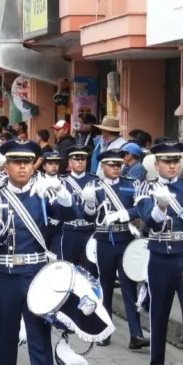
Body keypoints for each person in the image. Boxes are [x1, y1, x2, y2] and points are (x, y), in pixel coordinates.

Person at [0, 141, 78, 365]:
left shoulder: (43, 191)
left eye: (27, 162)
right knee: (5, 338)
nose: (22, 167)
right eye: (16, 162)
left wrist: (61, 192)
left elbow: (70, 216)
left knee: (39, 341)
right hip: (5, 274)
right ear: (6, 165)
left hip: (35, 276)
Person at [135, 141, 183, 365]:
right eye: (167, 161)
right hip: (160, 256)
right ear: (157, 165)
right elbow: (148, 222)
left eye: (176, 161)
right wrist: (161, 206)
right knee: (159, 313)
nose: (172, 166)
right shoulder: (146, 187)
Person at [80, 149, 148, 349]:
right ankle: (104, 331)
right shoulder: (94, 186)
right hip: (104, 240)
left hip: (125, 238)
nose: (116, 168)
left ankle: (136, 334)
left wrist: (124, 214)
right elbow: (87, 217)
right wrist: (89, 204)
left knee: (129, 287)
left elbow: (141, 208)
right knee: (106, 286)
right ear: (102, 166)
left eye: (118, 164)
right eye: (111, 165)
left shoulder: (131, 184)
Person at [58, 146, 97, 275]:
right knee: (69, 269)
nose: (80, 162)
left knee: (91, 270)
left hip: (90, 229)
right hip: (70, 230)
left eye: (83, 159)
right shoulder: (62, 182)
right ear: (70, 162)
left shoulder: (95, 180)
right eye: (76, 159)